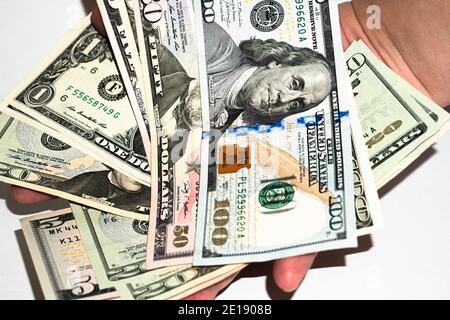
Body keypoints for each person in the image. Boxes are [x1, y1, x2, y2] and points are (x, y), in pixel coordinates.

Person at [9, 0, 450, 300]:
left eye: (301, 103)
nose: (289, 100)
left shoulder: (245, 139)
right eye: (295, 84)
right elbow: (160, 30)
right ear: (276, 62)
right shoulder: (219, 53)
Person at [203, 21, 333, 130]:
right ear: (277, 63)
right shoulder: (215, 46)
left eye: (296, 104)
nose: (284, 100)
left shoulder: (222, 130)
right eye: (294, 84)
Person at [41, 127, 150, 213]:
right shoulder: (87, 181)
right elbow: (55, 190)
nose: (142, 174)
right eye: (137, 163)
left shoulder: (151, 197)